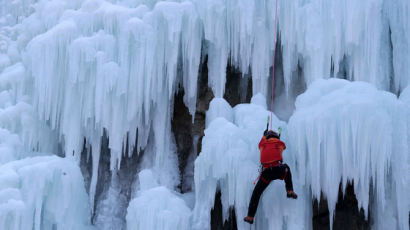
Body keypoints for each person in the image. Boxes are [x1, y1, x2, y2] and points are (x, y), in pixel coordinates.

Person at [243, 130, 297, 224]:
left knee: (256, 194)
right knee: (287, 169)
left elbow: (260, 143)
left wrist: (264, 136)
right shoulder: (280, 143)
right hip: (278, 170)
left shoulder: (262, 145)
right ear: (277, 137)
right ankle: (289, 191)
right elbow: (284, 147)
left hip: (267, 173)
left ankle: (250, 216)